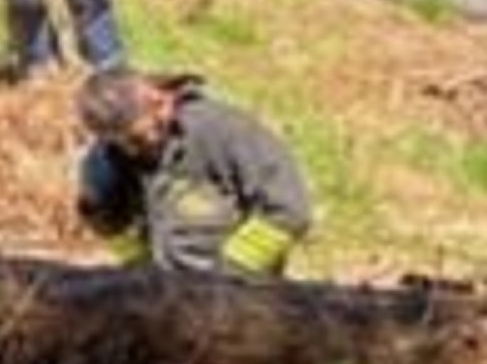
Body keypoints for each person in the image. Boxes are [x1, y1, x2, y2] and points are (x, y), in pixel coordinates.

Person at [75, 70, 312, 276]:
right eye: (126, 143)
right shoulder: (108, 159)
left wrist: (229, 275)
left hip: (238, 296)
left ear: (161, 100)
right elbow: (109, 224)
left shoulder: (225, 131)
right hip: (163, 295)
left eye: (141, 137)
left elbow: (288, 210)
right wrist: (141, 270)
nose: (136, 150)